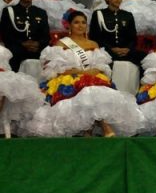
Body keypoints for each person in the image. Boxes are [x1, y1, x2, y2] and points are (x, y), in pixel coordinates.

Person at [24, 9, 141, 137]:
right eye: (76, 22)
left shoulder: (93, 44)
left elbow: (101, 65)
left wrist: (94, 71)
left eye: (83, 22)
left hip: (92, 77)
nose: (80, 25)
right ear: (69, 25)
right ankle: (103, 126)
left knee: (95, 89)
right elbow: (56, 68)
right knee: (88, 89)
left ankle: (89, 129)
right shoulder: (61, 44)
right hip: (69, 78)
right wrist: (81, 72)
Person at [0, 0, 50, 72]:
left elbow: (46, 36)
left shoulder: (41, 12)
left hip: (37, 50)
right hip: (16, 51)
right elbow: (6, 35)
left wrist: (37, 43)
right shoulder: (9, 11)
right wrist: (22, 44)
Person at [89, 0, 144, 65]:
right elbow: (94, 37)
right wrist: (111, 49)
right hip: (106, 52)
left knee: (144, 57)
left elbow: (133, 38)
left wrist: (127, 49)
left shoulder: (127, 15)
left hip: (126, 52)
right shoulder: (98, 14)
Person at [0, 42, 45, 137]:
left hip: (3, 76)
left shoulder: (3, 50)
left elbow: (6, 66)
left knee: (4, 97)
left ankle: (7, 131)